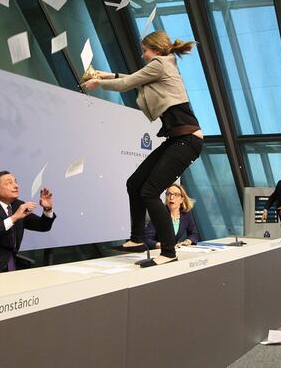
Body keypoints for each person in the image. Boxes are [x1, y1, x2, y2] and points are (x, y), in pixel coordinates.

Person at [80, 31, 203, 267]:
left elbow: (129, 82)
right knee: (134, 184)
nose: (143, 55)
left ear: (155, 49)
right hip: (178, 139)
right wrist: (108, 74)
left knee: (149, 191)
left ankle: (168, 251)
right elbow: (136, 78)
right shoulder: (162, 65)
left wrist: (99, 83)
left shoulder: (161, 62)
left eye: (145, 50)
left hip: (187, 140)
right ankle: (137, 239)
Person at [0, 171, 55, 275]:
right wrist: (14, 218)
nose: (16, 186)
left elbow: (42, 226)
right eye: (9, 183)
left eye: (15, 182)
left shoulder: (17, 205)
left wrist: (47, 209)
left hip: (12, 263)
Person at [144, 183, 199, 250]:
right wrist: (161, 245)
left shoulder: (186, 214)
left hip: (174, 251)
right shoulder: (159, 214)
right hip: (158, 251)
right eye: (168, 194)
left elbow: (194, 233)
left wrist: (188, 241)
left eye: (176, 195)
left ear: (181, 199)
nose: (171, 197)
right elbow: (146, 239)